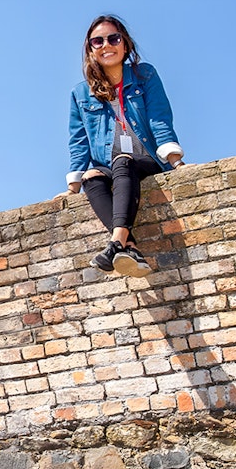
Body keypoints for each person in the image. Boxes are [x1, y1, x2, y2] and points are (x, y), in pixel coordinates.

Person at [65, 14, 184, 276]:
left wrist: (176, 161)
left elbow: (159, 117)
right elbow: (78, 140)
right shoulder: (80, 93)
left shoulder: (145, 75)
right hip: (111, 165)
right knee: (92, 177)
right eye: (98, 41)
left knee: (123, 159)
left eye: (113, 38)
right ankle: (128, 247)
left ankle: (115, 243)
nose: (106, 45)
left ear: (125, 44)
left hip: (146, 159)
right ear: (90, 50)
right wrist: (73, 187)